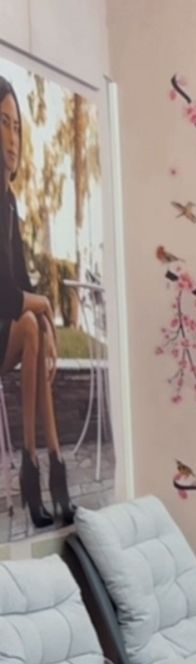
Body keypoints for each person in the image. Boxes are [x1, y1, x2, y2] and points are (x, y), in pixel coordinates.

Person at [0, 76, 75, 528]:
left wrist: (45, 319)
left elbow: (22, 283)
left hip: (5, 334)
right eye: (2, 123)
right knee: (30, 321)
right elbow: (5, 294)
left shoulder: (9, 202)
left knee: (35, 326)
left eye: (17, 126)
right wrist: (42, 308)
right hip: (4, 327)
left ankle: (52, 465)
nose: (12, 137)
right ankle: (37, 468)